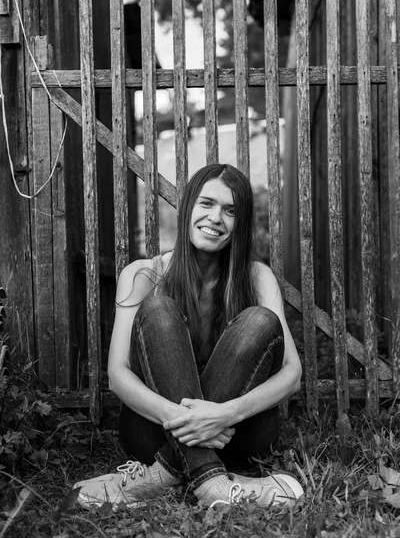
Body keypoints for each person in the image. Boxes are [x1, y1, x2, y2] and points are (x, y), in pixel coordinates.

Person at [74, 163, 303, 509]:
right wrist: (184, 421)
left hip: (235, 431)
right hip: (153, 429)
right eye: (206, 204)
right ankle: (219, 484)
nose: (215, 218)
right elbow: (118, 376)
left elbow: (292, 374)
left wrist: (225, 414)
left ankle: (165, 475)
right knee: (158, 310)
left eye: (230, 210)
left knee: (260, 320)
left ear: (240, 223)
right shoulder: (143, 275)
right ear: (188, 209)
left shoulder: (257, 278)